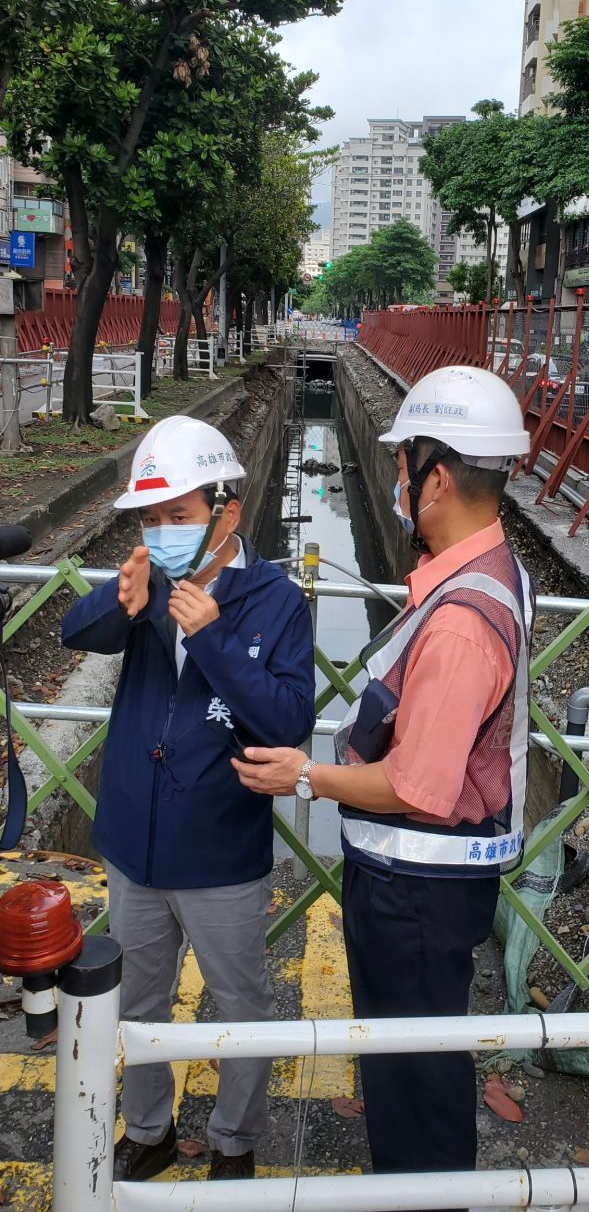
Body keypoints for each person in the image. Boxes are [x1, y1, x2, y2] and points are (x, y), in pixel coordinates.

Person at [233, 366, 533, 1203]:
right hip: (436, 886)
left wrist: (307, 776)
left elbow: (417, 785)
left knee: (413, 1079)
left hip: (414, 892)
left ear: (437, 478)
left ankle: (420, 1193)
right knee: (419, 1058)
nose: (397, 479)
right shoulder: (493, 571)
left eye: (405, 465)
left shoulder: (462, 622)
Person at [61, 415, 315, 1183]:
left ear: (226, 511)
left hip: (220, 851)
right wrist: (119, 598)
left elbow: (287, 721)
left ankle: (235, 1141)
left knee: (241, 1004)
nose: (165, 532)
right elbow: (79, 633)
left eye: (181, 516)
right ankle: (150, 1129)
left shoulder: (273, 601)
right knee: (137, 1001)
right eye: (153, 518)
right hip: (135, 846)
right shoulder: (148, 585)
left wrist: (210, 639)